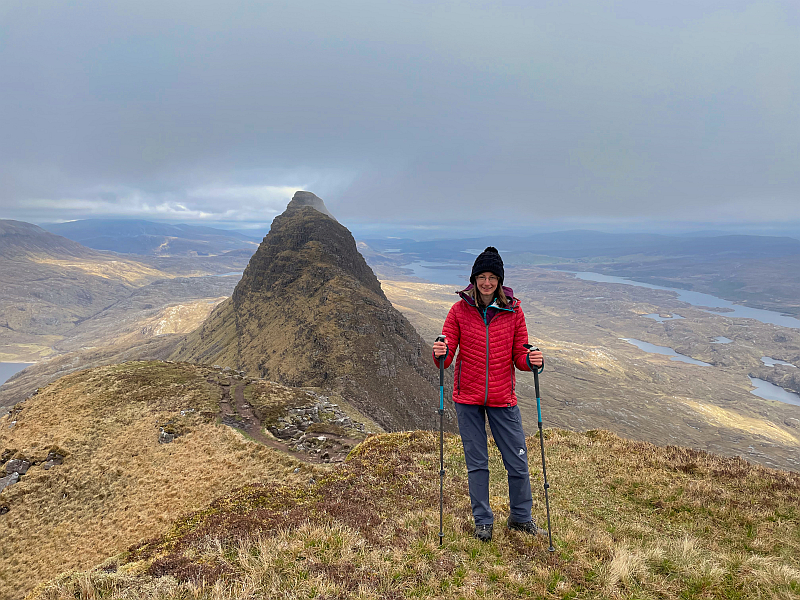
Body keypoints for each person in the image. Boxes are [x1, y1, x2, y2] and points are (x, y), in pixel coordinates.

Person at [432, 246, 544, 542]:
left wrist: (532, 360)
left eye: (492, 277)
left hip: (501, 398)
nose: (486, 282)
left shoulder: (514, 311)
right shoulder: (458, 310)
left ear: (499, 280)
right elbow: (447, 353)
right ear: (473, 278)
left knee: (518, 461)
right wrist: (440, 353)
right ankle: (483, 521)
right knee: (477, 463)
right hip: (467, 397)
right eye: (481, 276)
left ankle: (521, 518)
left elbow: (520, 354)